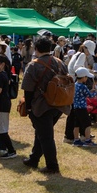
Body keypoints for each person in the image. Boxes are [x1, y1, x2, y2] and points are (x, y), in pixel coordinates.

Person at [21, 35, 71, 174]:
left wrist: (29, 107)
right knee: (42, 133)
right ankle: (34, 159)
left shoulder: (33, 65)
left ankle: (52, 166)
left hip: (42, 106)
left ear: (36, 49)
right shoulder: (60, 62)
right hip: (59, 104)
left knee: (45, 136)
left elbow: (28, 89)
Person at [67, 67, 97, 147]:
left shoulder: (75, 85)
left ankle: (76, 140)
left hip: (75, 107)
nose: (87, 78)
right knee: (87, 124)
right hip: (82, 108)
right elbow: (89, 95)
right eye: (86, 77)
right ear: (83, 77)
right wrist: (95, 91)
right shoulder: (83, 86)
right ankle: (88, 140)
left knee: (76, 124)